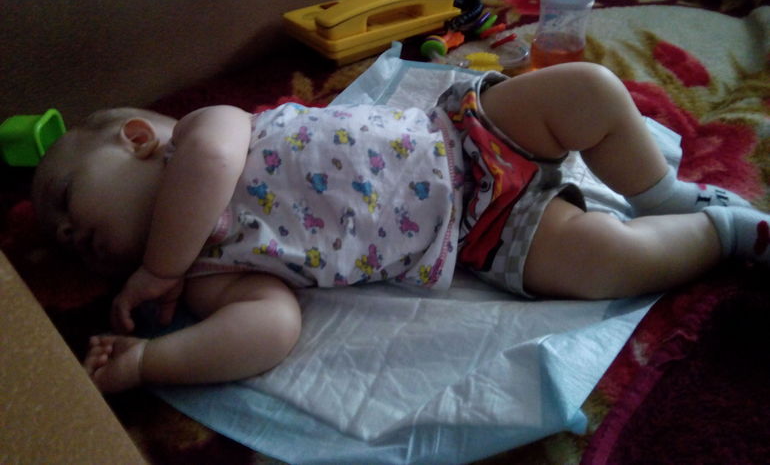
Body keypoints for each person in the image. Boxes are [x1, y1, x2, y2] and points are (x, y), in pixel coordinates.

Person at [32, 62, 769, 394]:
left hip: (468, 132)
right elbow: (269, 329)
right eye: (59, 235)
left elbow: (213, 163)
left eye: (65, 199)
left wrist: (158, 265)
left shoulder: (202, 133)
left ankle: (667, 194)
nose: (64, 233)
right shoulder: (210, 272)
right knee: (605, 263)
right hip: (475, 233)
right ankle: (727, 233)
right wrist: (150, 363)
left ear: (137, 139)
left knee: (588, 89)